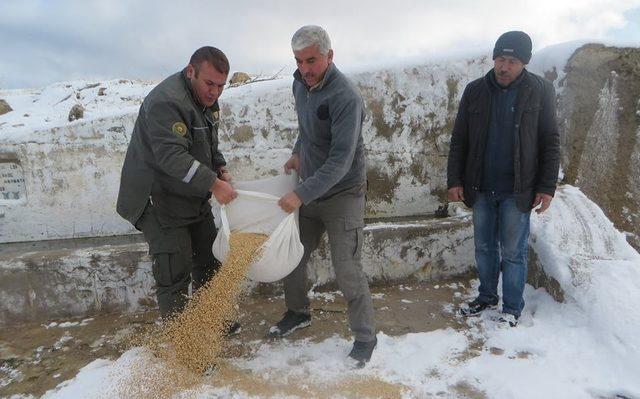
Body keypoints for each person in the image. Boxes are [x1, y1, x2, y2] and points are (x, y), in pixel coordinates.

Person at [268, 25, 377, 367]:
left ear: (330, 56)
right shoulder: (300, 84)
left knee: (347, 269)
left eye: (311, 60)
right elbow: (307, 128)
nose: (305, 69)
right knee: (292, 256)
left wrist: (299, 194)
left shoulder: (345, 97)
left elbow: (341, 162)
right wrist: (299, 151)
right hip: (311, 190)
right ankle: (298, 312)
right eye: (299, 61)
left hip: (343, 193)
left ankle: (365, 336)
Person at [446, 31, 560, 327]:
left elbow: (550, 140)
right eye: (500, 59)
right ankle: (486, 296)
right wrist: (454, 180)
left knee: (513, 252)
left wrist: (547, 188)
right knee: (484, 247)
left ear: (524, 63)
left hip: (517, 189)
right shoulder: (475, 91)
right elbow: (460, 139)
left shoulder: (541, 91)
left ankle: (511, 307)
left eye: (512, 61)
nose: (504, 67)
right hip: (480, 186)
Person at [116, 47, 237, 321]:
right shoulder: (166, 101)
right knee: (175, 275)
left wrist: (220, 167)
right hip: (157, 200)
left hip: (190, 195)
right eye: (210, 84)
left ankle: (209, 326)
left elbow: (207, 144)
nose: (215, 92)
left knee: (209, 261)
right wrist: (215, 185)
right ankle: (185, 349)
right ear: (190, 71)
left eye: (221, 86)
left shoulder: (206, 100)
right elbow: (172, 157)